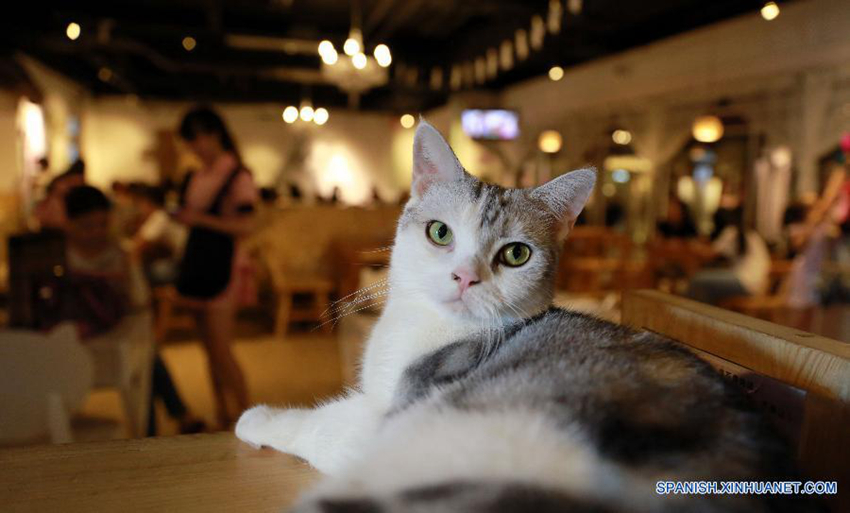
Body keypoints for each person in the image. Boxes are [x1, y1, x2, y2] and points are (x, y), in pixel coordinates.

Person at [63, 185, 204, 435]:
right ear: (68, 223)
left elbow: (140, 304)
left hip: (112, 337)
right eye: (87, 226)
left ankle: (162, 426)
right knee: (146, 357)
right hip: (77, 342)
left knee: (143, 357)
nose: (96, 233)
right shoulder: (56, 255)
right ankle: (172, 419)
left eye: (102, 225)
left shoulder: (120, 255)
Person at [175, 106, 257, 427]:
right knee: (209, 349)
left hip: (225, 266)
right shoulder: (197, 176)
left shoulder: (238, 174)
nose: (196, 146)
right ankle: (223, 413)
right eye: (191, 140)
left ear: (215, 134)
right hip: (199, 262)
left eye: (198, 138)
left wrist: (198, 220)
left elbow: (246, 226)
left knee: (221, 349)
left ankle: (248, 417)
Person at [687, 207, 770, 305]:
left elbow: (709, 254)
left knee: (698, 280)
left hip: (744, 281)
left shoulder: (732, 231)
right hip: (758, 282)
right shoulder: (748, 232)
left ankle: (693, 316)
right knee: (707, 287)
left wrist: (692, 245)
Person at [129, 185, 188, 287]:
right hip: (185, 260)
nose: (139, 208)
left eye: (140, 204)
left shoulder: (160, 216)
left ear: (148, 202)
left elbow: (137, 245)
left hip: (183, 266)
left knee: (142, 271)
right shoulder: (166, 212)